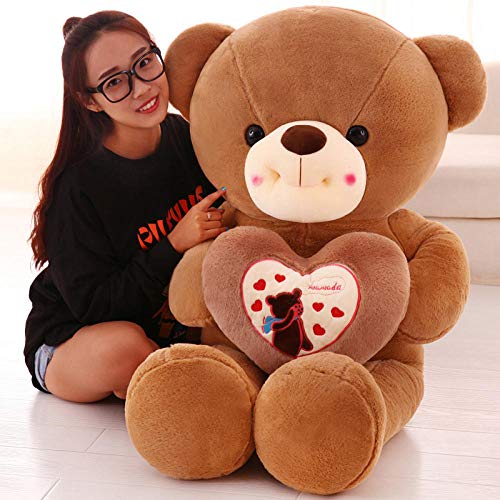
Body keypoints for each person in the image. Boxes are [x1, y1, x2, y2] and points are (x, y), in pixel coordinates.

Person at [24, 10, 228, 403]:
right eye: (115, 82)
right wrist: (173, 244)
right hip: (75, 337)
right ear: (90, 101)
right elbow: (95, 307)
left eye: (144, 63)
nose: (142, 88)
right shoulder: (78, 185)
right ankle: (168, 382)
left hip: (165, 326)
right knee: (126, 347)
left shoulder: (187, 138)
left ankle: (168, 374)